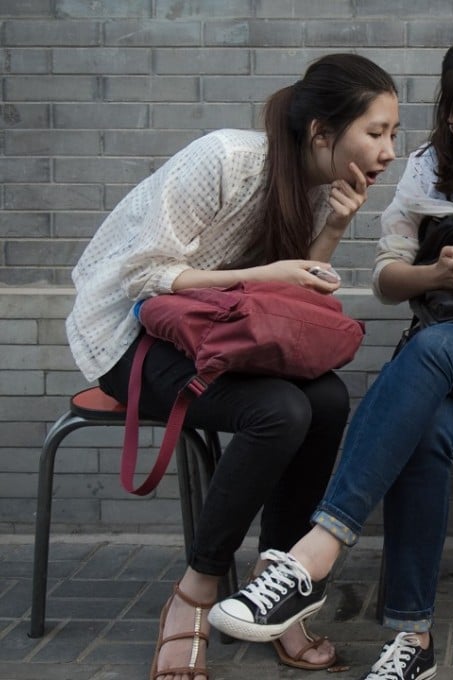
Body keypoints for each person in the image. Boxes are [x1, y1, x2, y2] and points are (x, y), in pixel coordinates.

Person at [207, 33, 453, 680]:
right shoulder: (425, 166)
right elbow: (388, 282)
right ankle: (411, 639)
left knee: (427, 353)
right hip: (447, 351)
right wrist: (440, 275)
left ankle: (313, 555)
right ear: (446, 112)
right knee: (426, 423)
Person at [65, 54, 399, 680]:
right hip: (132, 338)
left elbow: (285, 301)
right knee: (279, 411)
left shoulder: (322, 186)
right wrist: (263, 272)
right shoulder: (225, 158)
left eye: (392, 134)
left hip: (220, 340)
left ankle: (276, 587)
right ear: (322, 131)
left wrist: (334, 226)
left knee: (327, 399)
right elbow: (143, 277)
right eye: (376, 132)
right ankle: (194, 592)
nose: (388, 151)